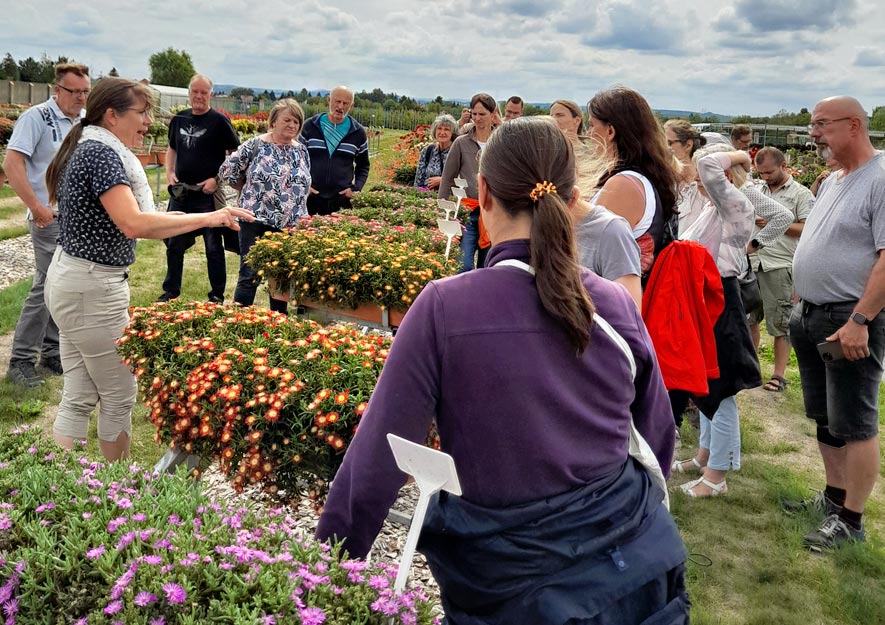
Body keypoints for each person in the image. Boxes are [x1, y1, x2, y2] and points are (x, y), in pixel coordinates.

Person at [317, 117, 688, 624]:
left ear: (483, 192)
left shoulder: (445, 307)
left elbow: (381, 450)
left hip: (505, 583)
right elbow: (656, 433)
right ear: (572, 194)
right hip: (629, 569)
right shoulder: (612, 305)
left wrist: (327, 563)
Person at [42, 77, 253, 462]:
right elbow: (135, 223)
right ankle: (116, 491)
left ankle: (59, 484)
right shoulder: (102, 156)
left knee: (79, 394)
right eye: (141, 113)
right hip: (92, 289)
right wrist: (209, 218)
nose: (148, 122)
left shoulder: (88, 145)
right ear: (111, 115)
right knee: (119, 396)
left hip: (72, 282)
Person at [786, 96, 885, 551]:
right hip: (811, 313)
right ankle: (833, 497)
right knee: (826, 416)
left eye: (822, 124)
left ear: (854, 125)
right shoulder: (832, 181)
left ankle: (852, 520)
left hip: (850, 318)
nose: (813, 133)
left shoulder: (880, 177)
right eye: (812, 124)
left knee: (855, 419)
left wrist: (861, 319)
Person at [670, 145, 762, 497]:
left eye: (701, 170)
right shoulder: (711, 206)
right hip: (705, 299)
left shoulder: (735, 204)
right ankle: (705, 456)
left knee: (721, 389)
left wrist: (739, 155)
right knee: (704, 384)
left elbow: (708, 165)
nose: (696, 176)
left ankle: (717, 476)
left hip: (721, 301)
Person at [4, 63, 90, 387]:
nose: (81, 97)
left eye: (85, 91)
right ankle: (21, 361)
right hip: (47, 218)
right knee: (45, 286)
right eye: (75, 91)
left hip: (75, 217)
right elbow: (12, 165)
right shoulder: (36, 118)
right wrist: (37, 208)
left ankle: (52, 352)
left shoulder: (83, 122)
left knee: (63, 286)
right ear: (58, 90)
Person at [218, 99, 311, 314]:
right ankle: (240, 322)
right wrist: (248, 188)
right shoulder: (256, 145)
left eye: (296, 121)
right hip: (255, 220)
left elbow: (305, 182)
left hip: (289, 225)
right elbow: (227, 171)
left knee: (280, 278)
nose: (292, 125)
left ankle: (277, 323)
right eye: (287, 120)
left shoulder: (302, 151)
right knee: (249, 274)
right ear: (273, 121)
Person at [158, 74, 240, 303]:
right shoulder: (179, 119)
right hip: (181, 193)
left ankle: (217, 295)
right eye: (195, 91)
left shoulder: (219, 122)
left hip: (207, 194)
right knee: (173, 243)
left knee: (213, 246)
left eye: (204, 92)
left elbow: (235, 156)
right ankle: (171, 291)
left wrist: (217, 179)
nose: (199, 96)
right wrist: (169, 173)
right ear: (189, 92)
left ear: (210, 94)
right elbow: (171, 149)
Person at [588, 87, 680, 281]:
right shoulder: (643, 176)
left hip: (613, 303)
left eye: (592, 126)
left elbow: (590, 252)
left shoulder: (623, 185)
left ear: (610, 131)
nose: (588, 134)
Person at [748, 147, 813, 392]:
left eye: (769, 172)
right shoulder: (757, 191)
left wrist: (778, 222)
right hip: (755, 261)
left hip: (780, 263)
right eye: (760, 172)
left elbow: (807, 228)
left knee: (781, 323)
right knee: (750, 319)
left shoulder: (800, 194)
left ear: (783, 166)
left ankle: (779, 375)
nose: (764, 177)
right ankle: (752, 367)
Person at [439, 93, 498, 271]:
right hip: (468, 210)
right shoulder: (461, 143)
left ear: (493, 114)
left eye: (482, 114)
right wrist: (443, 209)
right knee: (463, 265)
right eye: (474, 114)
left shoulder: (501, 142)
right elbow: (447, 177)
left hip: (494, 213)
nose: (478, 118)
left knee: (486, 266)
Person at [300, 86, 370, 216]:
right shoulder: (310, 126)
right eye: (337, 101)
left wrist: (355, 189)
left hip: (341, 200)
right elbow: (296, 160)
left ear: (352, 105)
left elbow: (363, 166)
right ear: (329, 100)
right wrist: (303, 186)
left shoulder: (358, 133)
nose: (340, 106)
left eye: (345, 103)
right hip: (310, 198)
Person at [413, 114, 456, 190]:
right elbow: (418, 182)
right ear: (435, 131)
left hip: (449, 199)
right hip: (427, 198)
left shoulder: (457, 152)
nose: (442, 132)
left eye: (446, 129)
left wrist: (442, 180)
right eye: (439, 128)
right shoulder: (427, 151)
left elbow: (464, 180)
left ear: (452, 133)